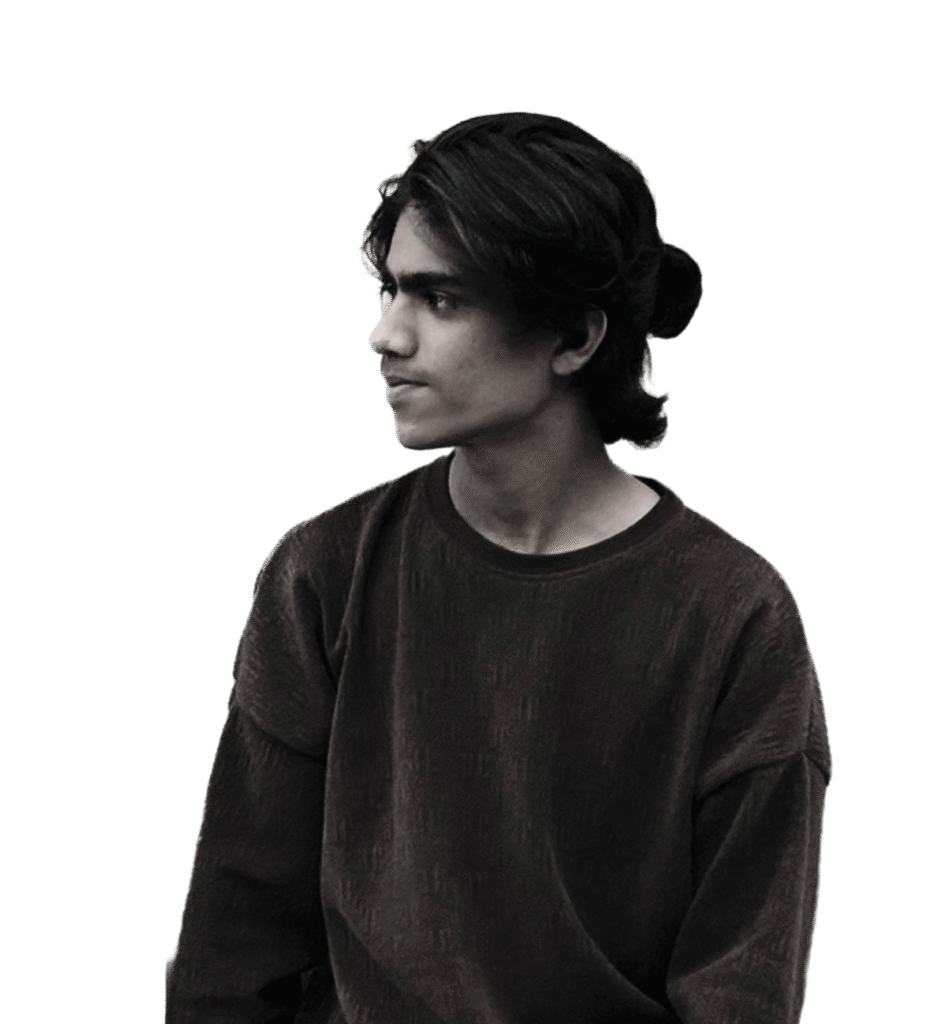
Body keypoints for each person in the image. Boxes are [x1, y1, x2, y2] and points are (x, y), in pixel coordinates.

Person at [165, 111, 832, 1024]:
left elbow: (740, 991)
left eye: (440, 299)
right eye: (389, 291)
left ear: (574, 337)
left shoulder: (735, 616)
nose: (385, 335)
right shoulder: (323, 575)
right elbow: (230, 958)